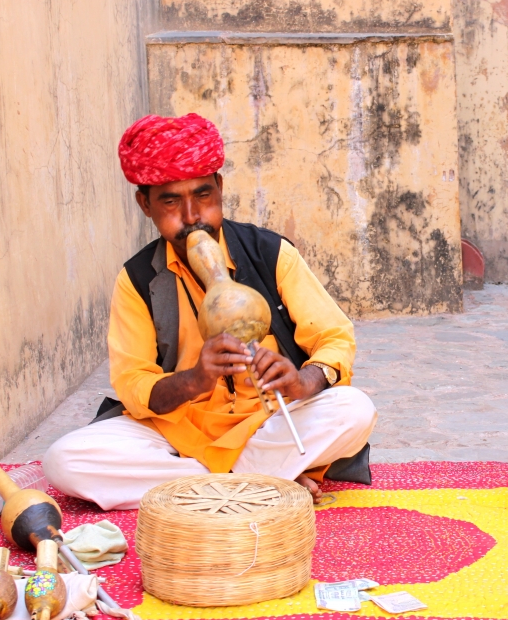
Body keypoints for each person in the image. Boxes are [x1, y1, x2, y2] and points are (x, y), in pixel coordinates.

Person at [44, 113, 376, 509]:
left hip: (267, 422)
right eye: (170, 200)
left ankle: (214, 485)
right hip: (181, 431)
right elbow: (132, 384)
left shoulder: (270, 254)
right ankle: (261, 479)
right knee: (65, 460)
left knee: (354, 410)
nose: (191, 216)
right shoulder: (136, 280)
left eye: (202, 194)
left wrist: (303, 381)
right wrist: (195, 379)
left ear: (219, 187)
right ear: (144, 203)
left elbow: (334, 337)